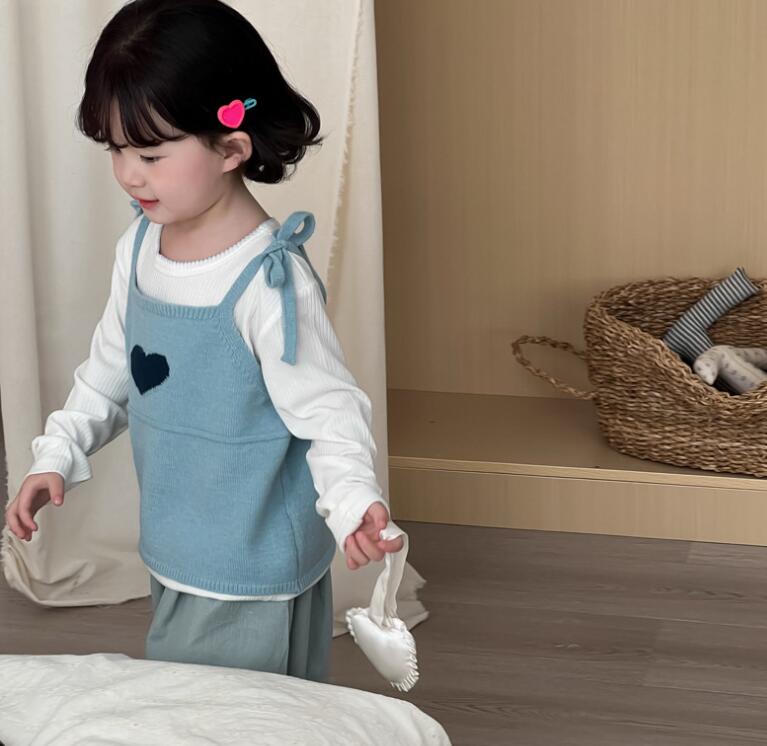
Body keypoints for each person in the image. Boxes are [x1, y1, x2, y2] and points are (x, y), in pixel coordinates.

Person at [3, 0, 403, 683]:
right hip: (179, 546)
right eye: (115, 149)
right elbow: (110, 372)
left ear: (231, 149)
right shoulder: (140, 248)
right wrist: (58, 453)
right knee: (210, 708)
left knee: (227, 715)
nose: (129, 174)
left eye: (151, 154)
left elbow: (328, 411)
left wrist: (352, 501)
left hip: (251, 566)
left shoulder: (268, 282)